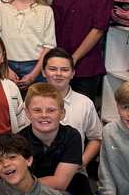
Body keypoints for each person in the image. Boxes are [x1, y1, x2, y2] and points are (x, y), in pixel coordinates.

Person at [51, 0, 114, 100]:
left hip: (87, 67)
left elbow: (98, 30)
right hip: (59, 65)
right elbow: (53, 27)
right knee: (57, 109)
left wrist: (74, 58)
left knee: (82, 112)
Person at [18, 84, 91, 195]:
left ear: (62, 114)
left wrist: (22, 185)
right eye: (37, 110)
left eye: (51, 110)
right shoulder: (19, 141)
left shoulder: (71, 136)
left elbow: (60, 182)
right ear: (27, 113)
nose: (44, 115)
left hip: (73, 193)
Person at [43, 46, 103, 175]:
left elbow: (96, 138)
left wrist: (82, 162)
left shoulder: (85, 103)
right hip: (39, 172)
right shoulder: (31, 102)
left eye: (64, 70)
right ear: (43, 72)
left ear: (73, 73)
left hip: (75, 173)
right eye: (52, 69)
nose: (58, 74)